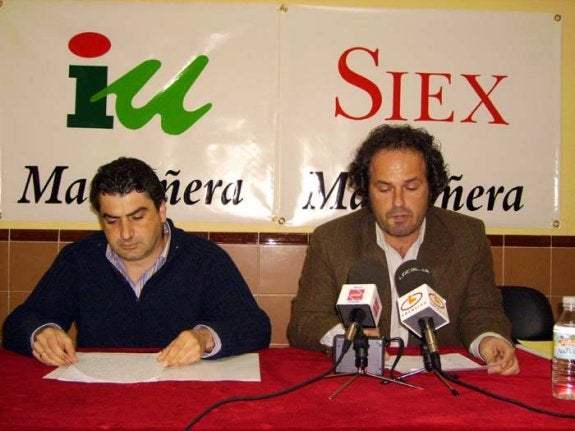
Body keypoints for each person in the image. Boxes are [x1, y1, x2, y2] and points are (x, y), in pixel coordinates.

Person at [287, 124, 519, 375]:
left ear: (431, 186)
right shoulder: (332, 239)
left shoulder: (467, 236)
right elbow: (305, 321)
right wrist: (347, 336)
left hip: (439, 383)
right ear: (367, 190)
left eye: (411, 188)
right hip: (363, 379)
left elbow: (482, 311)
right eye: (384, 188)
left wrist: (488, 339)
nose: (398, 202)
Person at [3, 157, 271, 367]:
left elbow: (256, 326)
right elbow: (18, 322)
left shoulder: (204, 259)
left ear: (161, 210)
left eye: (137, 217)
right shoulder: (79, 258)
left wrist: (204, 338)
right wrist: (41, 332)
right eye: (112, 220)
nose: (126, 233)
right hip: (99, 397)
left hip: (182, 395)